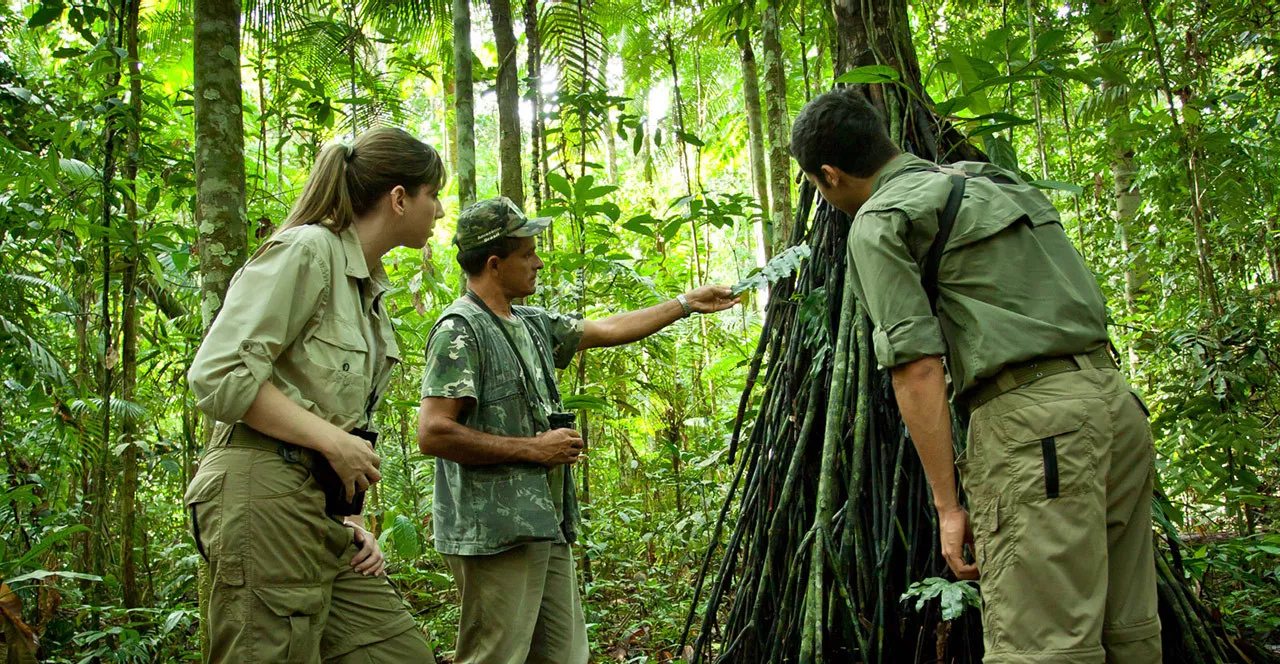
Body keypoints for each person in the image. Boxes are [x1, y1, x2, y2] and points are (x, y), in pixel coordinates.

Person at [788, 89, 1161, 663]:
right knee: (1129, 631)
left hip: (1035, 431)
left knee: (1043, 648)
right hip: (1116, 404)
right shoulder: (996, 181)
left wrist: (948, 506)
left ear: (830, 176)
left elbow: (917, 368)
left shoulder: (881, 220)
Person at [416, 196, 739, 664]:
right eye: (526, 254)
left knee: (565, 654)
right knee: (497, 655)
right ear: (493, 263)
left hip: (545, 525)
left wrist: (686, 304)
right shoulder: (461, 331)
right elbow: (434, 433)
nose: (538, 262)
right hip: (494, 533)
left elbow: (606, 328)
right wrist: (533, 449)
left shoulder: (529, 322)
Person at [186, 127, 444, 663]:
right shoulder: (308, 250)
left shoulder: (365, 288)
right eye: (433, 194)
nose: (439, 211)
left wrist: (347, 519)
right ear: (400, 198)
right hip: (263, 492)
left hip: (319, 509)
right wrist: (332, 441)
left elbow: (320, 402)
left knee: (398, 654)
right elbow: (218, 373)